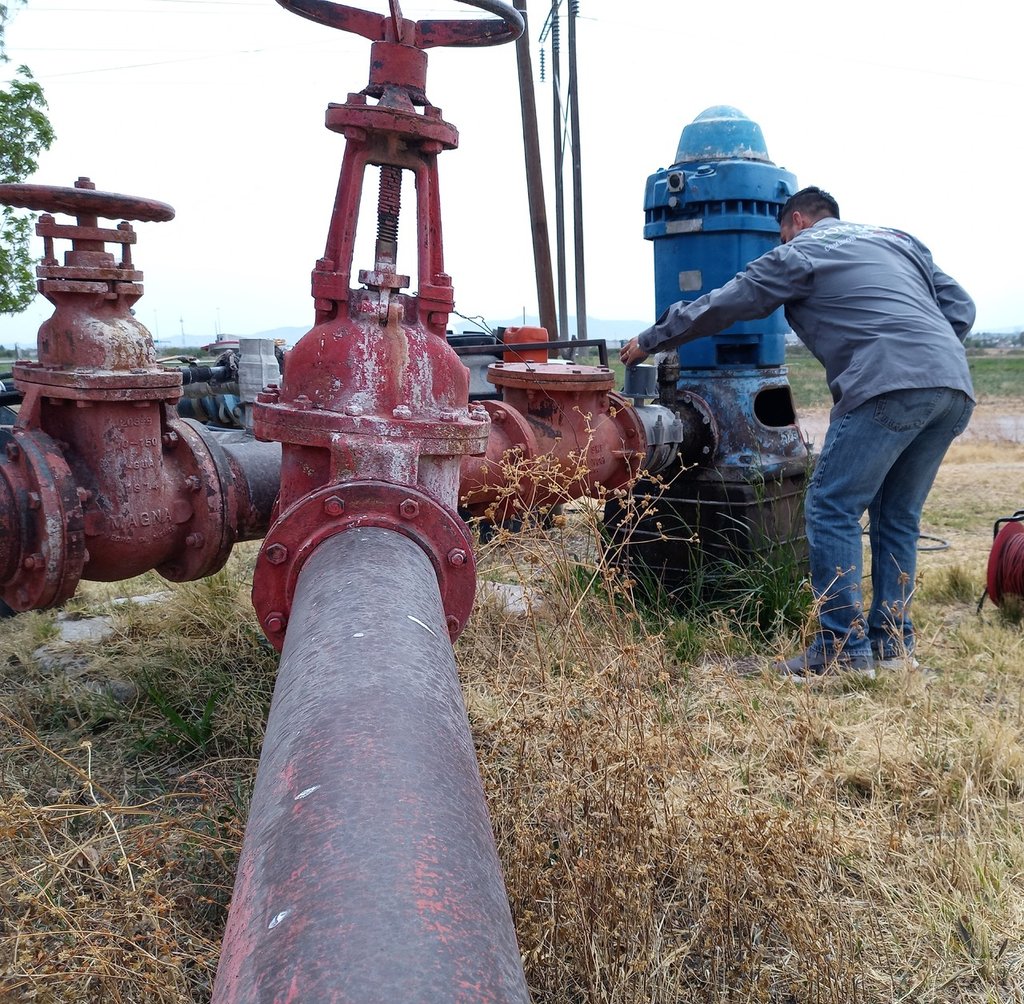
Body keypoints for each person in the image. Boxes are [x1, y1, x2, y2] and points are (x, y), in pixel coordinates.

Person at [620, 186, 975, 680]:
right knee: (897, 516)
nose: (779, 243)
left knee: (832, 506)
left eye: (780, 233)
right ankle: (893, 647)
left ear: (799, 221)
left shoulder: (803, 250)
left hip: (885, 386)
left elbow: (727, 303)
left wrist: (652, 339)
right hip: (953, 387)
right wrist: (926, 358)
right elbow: (961, 306)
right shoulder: (897, 240)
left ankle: (842, 651)